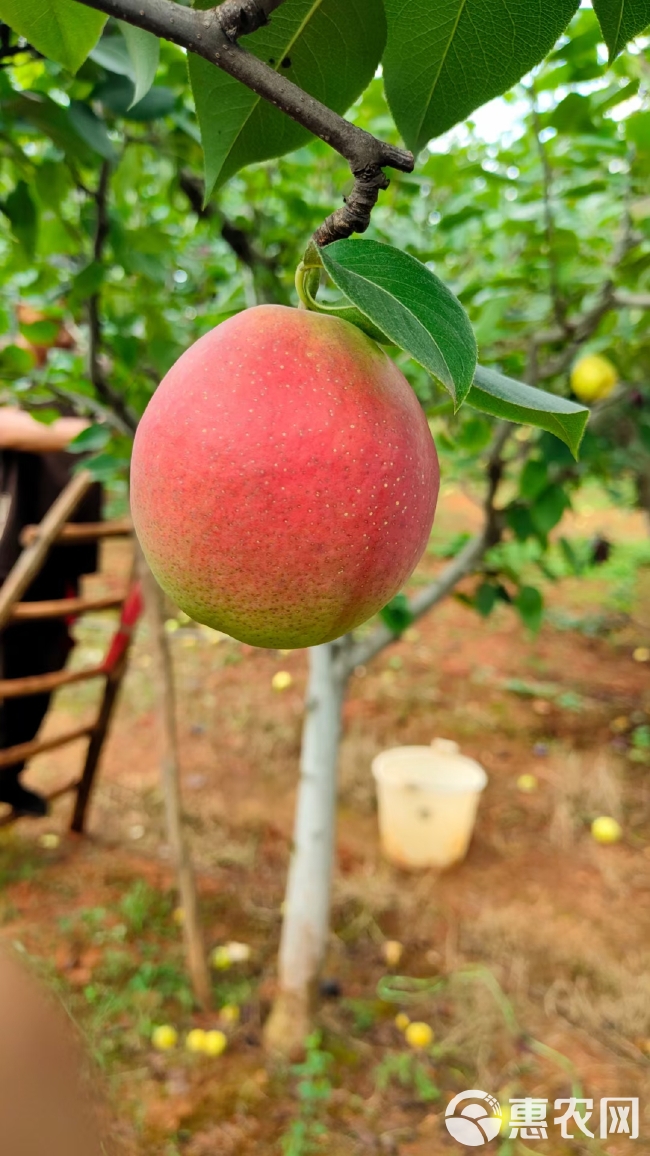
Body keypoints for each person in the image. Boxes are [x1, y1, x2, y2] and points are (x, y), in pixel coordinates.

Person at [0, 407, 102, 815]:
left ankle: (8, 775)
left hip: (53, 572)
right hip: (9, 569)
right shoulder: (16, 381)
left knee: (39, 679)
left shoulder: (72, 397)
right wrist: (94, 432)